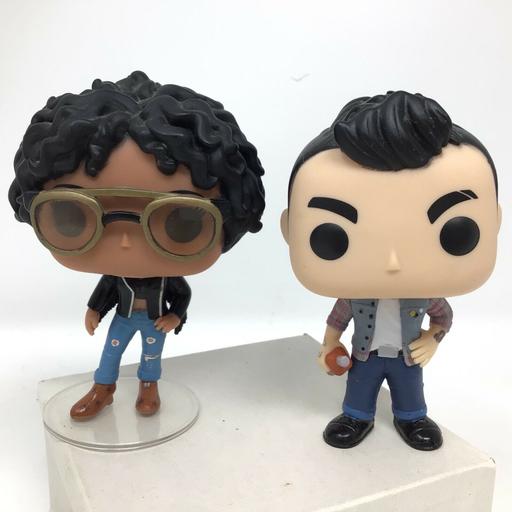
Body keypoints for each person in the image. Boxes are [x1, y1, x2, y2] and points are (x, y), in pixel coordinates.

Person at [9, 71, 265, 420]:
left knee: (151, 356)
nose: (127, 241)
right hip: (124, 318)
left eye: (181, 220)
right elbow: (107, 290)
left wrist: (175, 315)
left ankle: (149, 387)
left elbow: (182, 294)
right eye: (73, 215)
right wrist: (95, 309)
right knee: (110, 352)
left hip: (155, 321)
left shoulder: (168, 281)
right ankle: (103, 388)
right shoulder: (118, 279)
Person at [281, 91, 500, 450]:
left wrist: (431, 340)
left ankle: (412, 418)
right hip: (364, 354)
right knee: (360, 386)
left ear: (496, 222)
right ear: (290, 229)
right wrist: (329, 344)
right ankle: (356, 416)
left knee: (409, 389)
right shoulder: (354, 298)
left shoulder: (426, 298)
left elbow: (443, 318)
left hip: (406, 356)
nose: (393, 263)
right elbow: (337, 319)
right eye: (332, 237)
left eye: (455, 233)